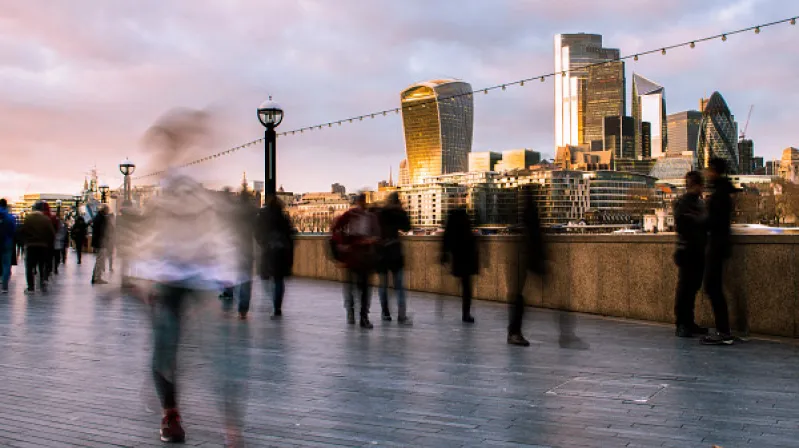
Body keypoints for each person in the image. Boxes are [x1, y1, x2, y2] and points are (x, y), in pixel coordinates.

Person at [331, 193, 380, 328]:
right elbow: (336, 228)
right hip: (353, 256)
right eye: (361, 201)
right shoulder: (351, 215)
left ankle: (362, 316)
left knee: (363, 288)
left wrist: (371, 240)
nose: (363, 204)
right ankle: (352, 311)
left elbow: (377, 235)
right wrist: (343, 243)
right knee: (354, 287)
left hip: (363, 257)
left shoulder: (370, 217)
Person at [701, 158, 735, 345]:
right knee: (714, 287)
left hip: (716, 244)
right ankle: (724, 330)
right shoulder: (724, 190)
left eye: (709, 170)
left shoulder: (720, 193)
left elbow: (715, 221)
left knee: (712, 286)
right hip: (720, 243)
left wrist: (699, 220)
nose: (707, 173)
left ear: (715, 171)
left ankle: (724, 331)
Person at [673, 171, 710, 338]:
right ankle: (682, 324)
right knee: (686, 290)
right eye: (699, 185)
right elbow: (685, 226)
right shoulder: (687, 204)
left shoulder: (695, 203)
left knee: (691, 289)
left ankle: (688, 323)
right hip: (689, 251)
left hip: (694, 251)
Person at [507, 196, 546, 346]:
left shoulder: (520, 210)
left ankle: (514, 331)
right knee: (518, 297)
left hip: (523, 259)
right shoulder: (529, 213)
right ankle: (514, 332)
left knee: (518, 297)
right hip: (524, 259)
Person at [256, 194, 295, 319]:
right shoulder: (283, 217)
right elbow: (290, 234)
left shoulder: (262, 216)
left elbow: (257, 233)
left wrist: (263, 243)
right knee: (279, 280)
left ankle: (268, 300)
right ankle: (277, 307)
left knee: (266, 277)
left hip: (268, 250)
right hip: (282, 250)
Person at [441, 200, 479, 323]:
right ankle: (466, 313)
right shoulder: (465, 218)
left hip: (458, 256)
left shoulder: (452, 218)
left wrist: (445, 253)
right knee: (467, 286)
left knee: (465, 285)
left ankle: (465, 313)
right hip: (467, 257)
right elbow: (470, 239)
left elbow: (446, 237)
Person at [376, 193, 411, 324]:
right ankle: (401, 315)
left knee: (383, 285)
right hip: (395, 253)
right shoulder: (397, 213)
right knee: (399, 286)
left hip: (382, 253)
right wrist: (401, 211)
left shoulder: (381, 213)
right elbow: (407, 227)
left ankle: (385, 313)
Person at [18, 201, 55, 293]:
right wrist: (49, 243)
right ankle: (42, 282)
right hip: (43, 246)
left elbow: (22, 231)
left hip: (31, 245)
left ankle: (30, 287)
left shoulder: (28, 218)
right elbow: (52, 233)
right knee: (42, 265)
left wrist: (24, 242)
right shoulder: (46, 219)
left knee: (29, 266)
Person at [0, 199, 17, 293]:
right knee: (6, 264)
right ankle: (4, 286)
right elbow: (14, 230)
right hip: (7, 242)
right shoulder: (10, 217)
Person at [91, 205, 109, 285]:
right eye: (107, 210)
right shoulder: (101, 218)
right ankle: (97, 278)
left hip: (98, 242)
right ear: (105, 210)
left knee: (99, 260)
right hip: (101, 243)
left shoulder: (98, 217)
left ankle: (96, 277)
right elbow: (103, 231)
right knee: (100, 260)